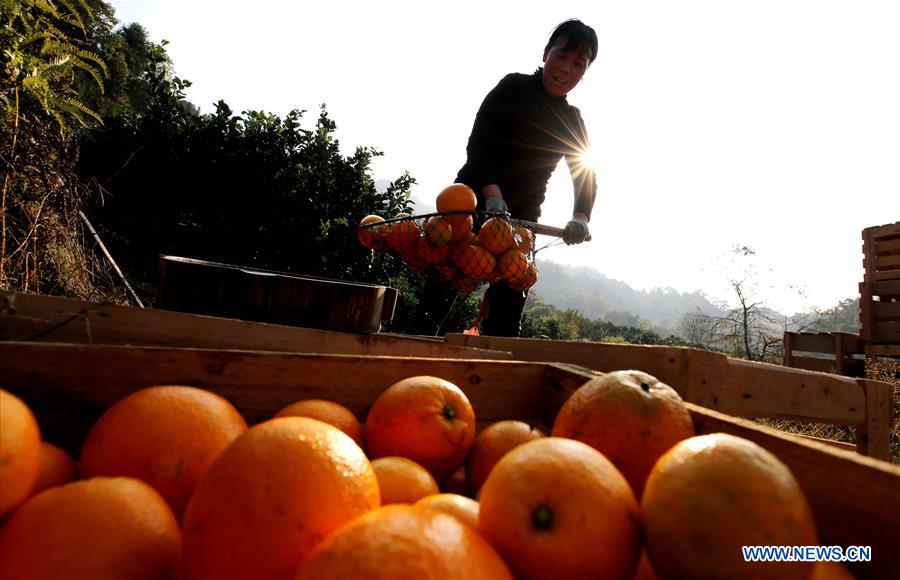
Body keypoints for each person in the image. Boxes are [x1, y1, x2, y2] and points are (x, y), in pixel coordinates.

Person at [409, 19, 598, 337]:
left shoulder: (571, 119)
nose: (566, 69)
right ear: (546, 52)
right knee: (435, 303)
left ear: (585, 72)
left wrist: (580, 216)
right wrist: (493, 195)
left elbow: (585, 175)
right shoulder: (513, 88)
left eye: (578, 64)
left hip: (519, 223)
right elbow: (479, 145)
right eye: (561, 56)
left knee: (506, 318)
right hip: (467, 208)